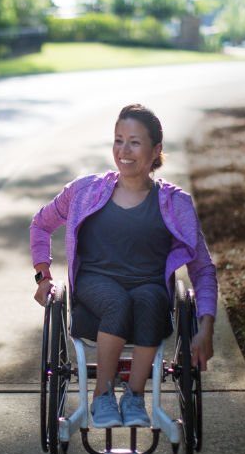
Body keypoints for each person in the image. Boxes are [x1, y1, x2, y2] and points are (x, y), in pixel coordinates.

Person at [29, 103, 217, 428]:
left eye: (134, 142)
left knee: (153, 299)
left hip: (148, 289)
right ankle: (102, 395)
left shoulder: (176, 204)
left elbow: (202, 269)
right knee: (118, 302)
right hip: (95, 288)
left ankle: (134, 396)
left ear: (156, 150)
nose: (123, 151)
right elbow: (41, 224)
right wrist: (42, 276)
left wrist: (206, 328)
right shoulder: (85, 191)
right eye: (118, 140)